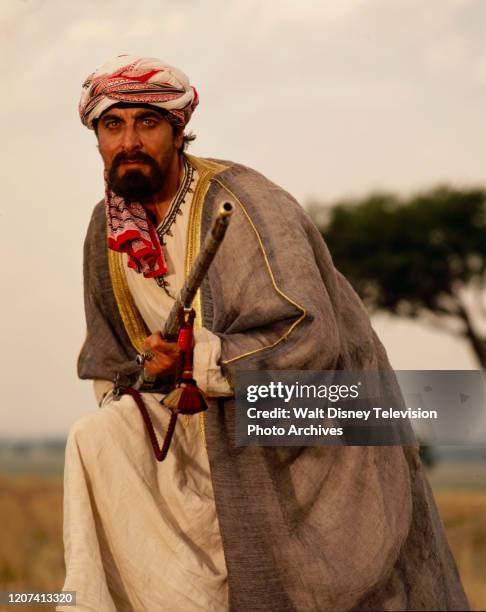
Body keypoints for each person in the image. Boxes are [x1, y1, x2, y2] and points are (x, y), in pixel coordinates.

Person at [59, 54, 469, 611]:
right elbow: (111, 359)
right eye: (113, 125)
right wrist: (147, 382)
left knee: (333, 581)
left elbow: (308, 333)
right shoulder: (104, 230)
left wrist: (196, 360)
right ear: (97, 136)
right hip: (190, 419)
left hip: (308, 409)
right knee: (96, 438)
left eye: (147, 123)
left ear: (178, 131)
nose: (129, 140)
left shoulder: (247, 204)